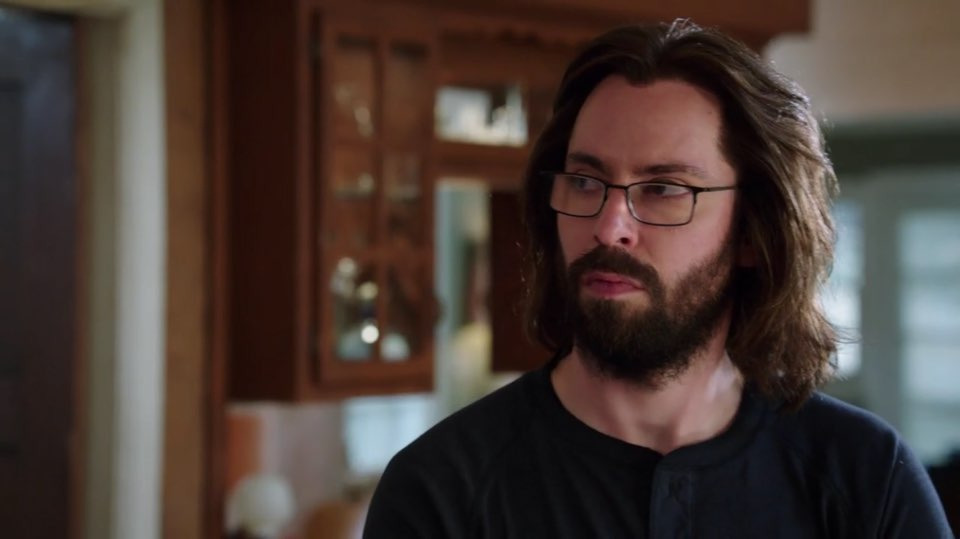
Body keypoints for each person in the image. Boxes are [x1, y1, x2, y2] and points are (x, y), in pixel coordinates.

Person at [362, 19, 953, 538]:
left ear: (752, 234)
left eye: (664, 189)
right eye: (585, 182)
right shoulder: (442, 488)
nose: (609, 227)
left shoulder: (864, 477)